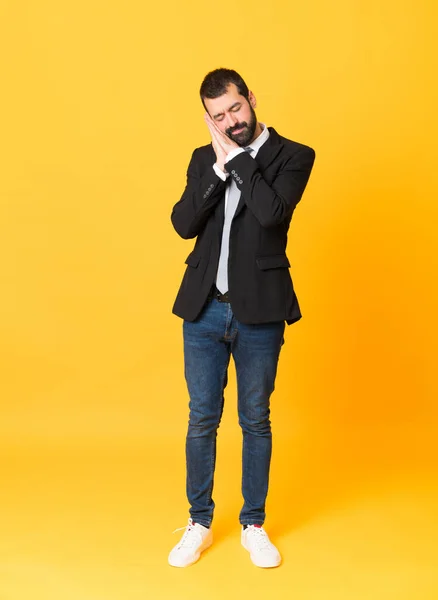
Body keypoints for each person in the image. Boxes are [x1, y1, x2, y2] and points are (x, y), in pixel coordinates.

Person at [168, 68, 315, 568]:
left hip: (261, 310)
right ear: (207, 119)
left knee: (255, 420)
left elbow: (272, 213)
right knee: (201, 418)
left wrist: (238, 161)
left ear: (251, 98)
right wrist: (215, 166)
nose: (230, 122)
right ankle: (199, 522)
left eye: (235, 108)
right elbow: (183, 223)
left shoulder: (293, 156)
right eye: (218, 116)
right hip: (204, 308)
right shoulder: (201, 159)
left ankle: (253, 524)